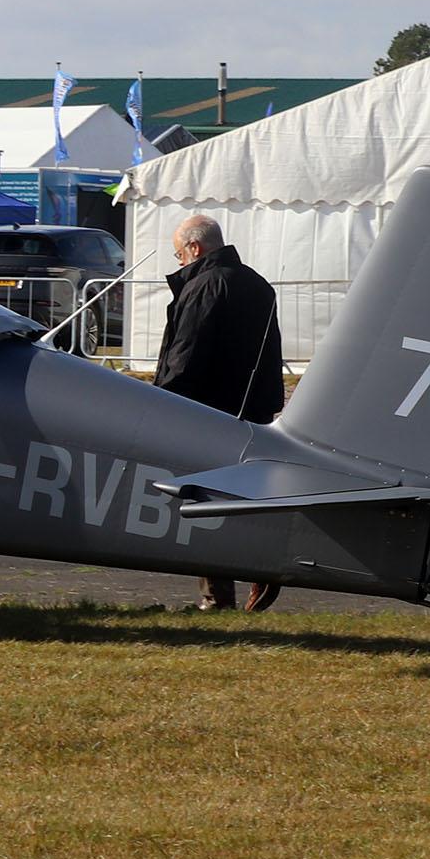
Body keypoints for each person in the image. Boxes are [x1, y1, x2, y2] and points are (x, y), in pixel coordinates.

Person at [154, 214, 286, 612]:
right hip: (254, 411)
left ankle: (216, 598)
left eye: (179, 254)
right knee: (247, 498)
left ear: (194, 248)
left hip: (209, 412)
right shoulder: (257, 284)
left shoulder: (204, 285)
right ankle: (267, 566)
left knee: (206, 504)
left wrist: (157, 401)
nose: (178, 262)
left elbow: (186, 357)